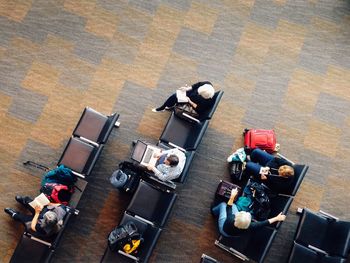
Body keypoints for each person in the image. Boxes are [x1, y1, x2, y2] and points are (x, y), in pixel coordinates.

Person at [211, 189, 286, 237]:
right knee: (234, 205)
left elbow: (229, 206)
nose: (244, 212)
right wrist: (277, 218)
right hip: (234, 235)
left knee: (223, 204)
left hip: (224, 230)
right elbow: (265, 222)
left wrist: (232, 196)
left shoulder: (230, 218)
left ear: (236, 217)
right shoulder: (250, 226)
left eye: (241, 213)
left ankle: (214, 212)